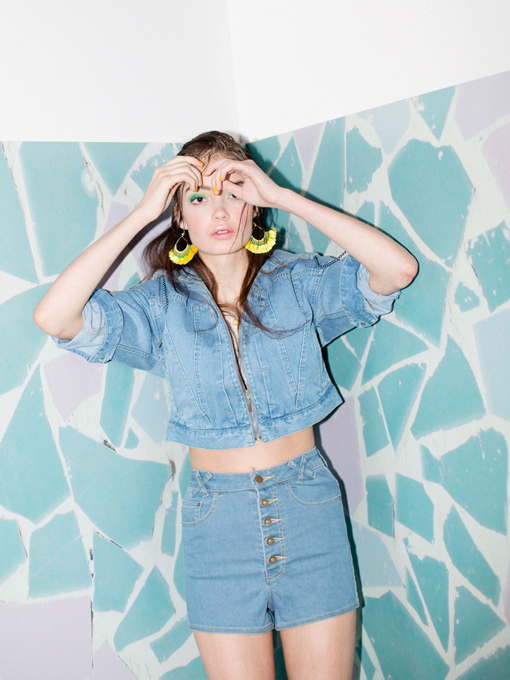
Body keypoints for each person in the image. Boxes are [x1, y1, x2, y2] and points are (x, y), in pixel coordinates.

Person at [33, 131, 418, 680]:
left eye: (233, 192)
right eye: (198, 197)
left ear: (252, 207)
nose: (218, 210)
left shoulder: (297, 281)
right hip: (218, 524)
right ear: (179, 217)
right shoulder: (161, 304)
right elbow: (55, 317)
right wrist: (142, 212)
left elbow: (396, 271)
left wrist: (282, 196)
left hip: (307, 507)